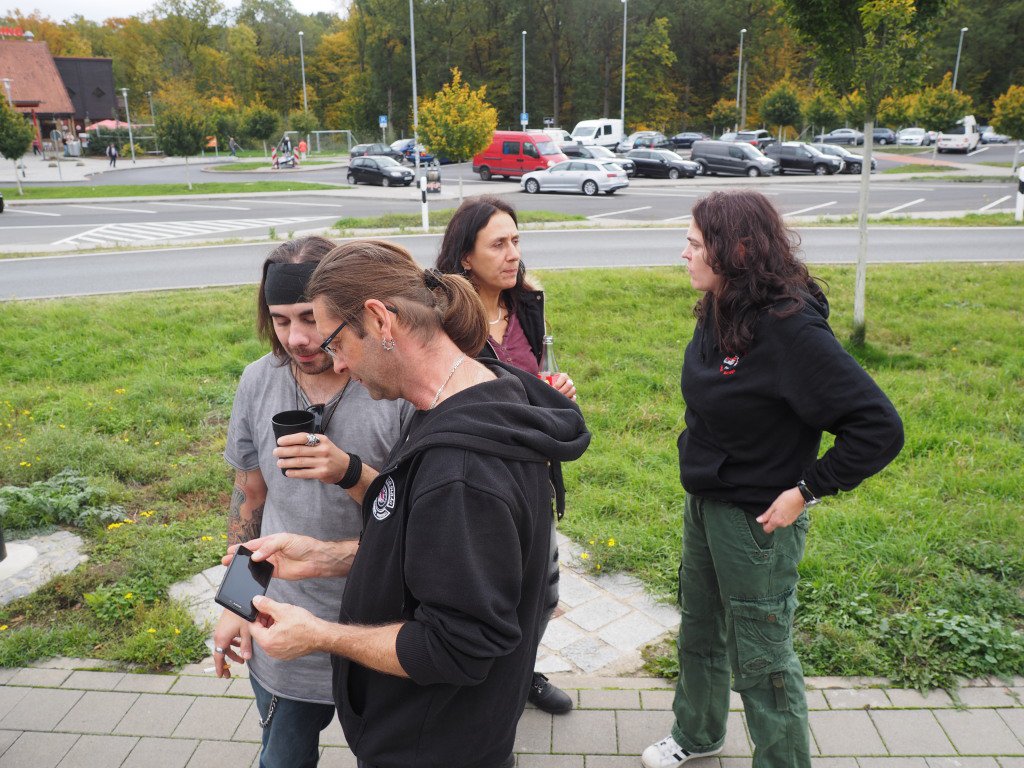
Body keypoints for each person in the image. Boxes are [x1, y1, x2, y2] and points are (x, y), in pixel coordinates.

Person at [229, 239, 590, 768]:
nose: (336, 362)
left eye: (335, 341)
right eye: (283, 322)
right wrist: (323, 557)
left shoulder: (460, 472)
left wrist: (320, 634)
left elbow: (456, 646)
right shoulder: (469, 395)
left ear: (380, 320)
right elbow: (428, 548)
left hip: (433, 741)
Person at [641, 189, 904, 768]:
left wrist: (806, 491)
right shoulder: (721, 304)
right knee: (700, 631)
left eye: (694, 244)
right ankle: (697, 733)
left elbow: (879, 427)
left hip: (756, 523)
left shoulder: (790, 330)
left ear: (736, 250)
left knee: (762, 658)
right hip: (706, 503)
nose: (683, 254)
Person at [213, 236, 411, 768]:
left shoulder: (389, 386)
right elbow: (249, 494)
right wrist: (236, 601)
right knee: (283, 760)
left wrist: (349, 471)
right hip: (282, 624)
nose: (297, 338)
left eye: (309, 317)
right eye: (280, 321)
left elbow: (416, 513)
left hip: (380, 626)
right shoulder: (259, 380)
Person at [435, 195, 577, 715]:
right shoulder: (445, 318)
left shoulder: (527, 305)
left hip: (531, 468)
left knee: (543, 593)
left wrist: (554, 392)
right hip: (476, 477)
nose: (513, 254)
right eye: (498, 244)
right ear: (466, 257)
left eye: (516, 241)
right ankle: (487, 699)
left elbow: (534, 376)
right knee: (489, 595)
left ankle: (520, 676)